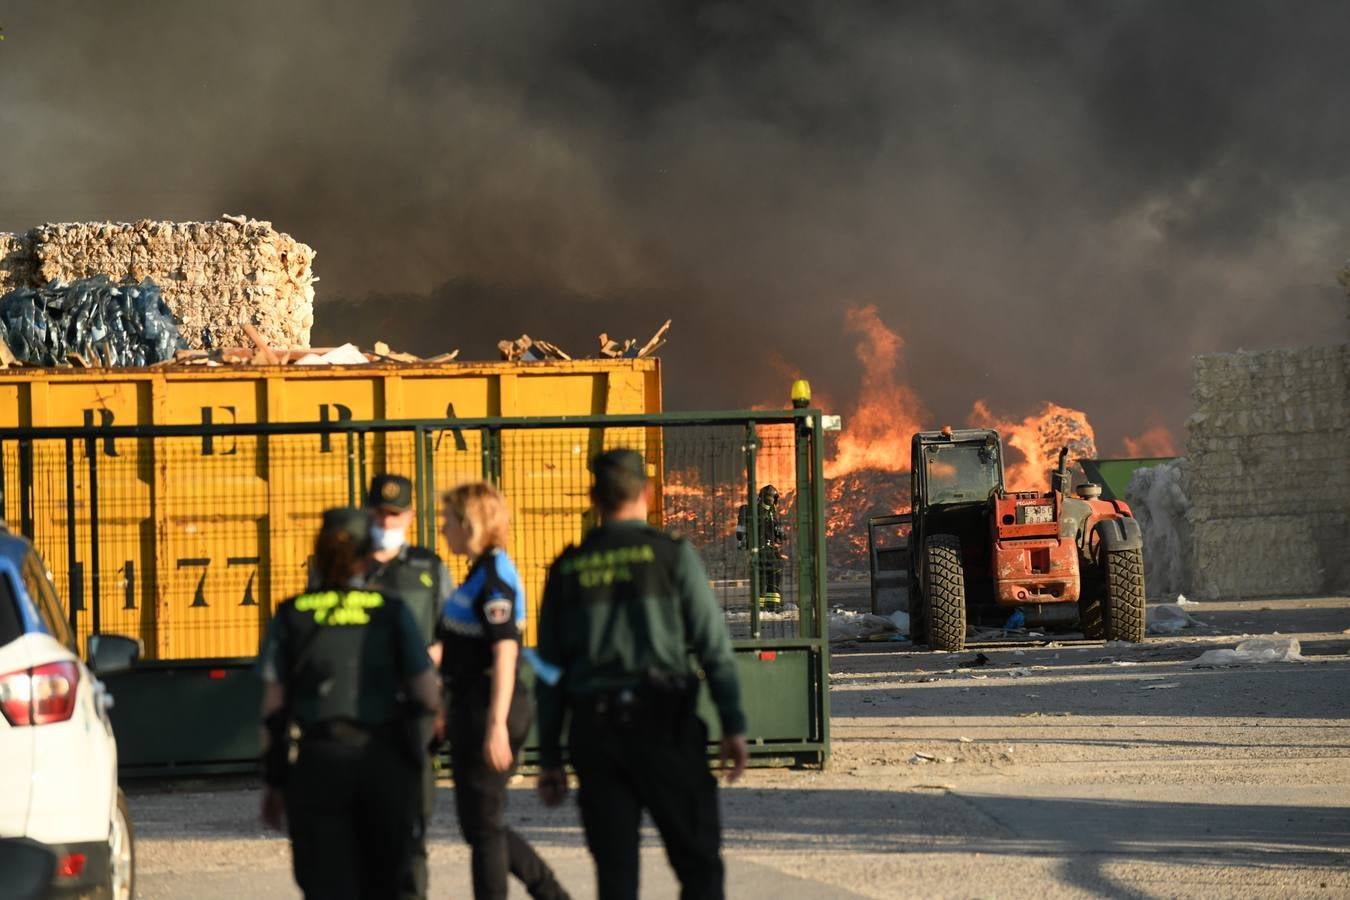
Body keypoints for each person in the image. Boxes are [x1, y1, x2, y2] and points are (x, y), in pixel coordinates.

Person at [535, 448, 749, 900]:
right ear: (648, 494)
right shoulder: (671, 556)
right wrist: (733, 725)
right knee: (698, 865)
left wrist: (551, 756)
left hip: (595, 735)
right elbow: (714, 647)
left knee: (615, 877)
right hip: (665, 729)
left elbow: (549, 673)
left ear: (593, 497)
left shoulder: (567, 568)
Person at [258, 507, 440, 900]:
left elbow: (272, 708)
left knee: (327, 885)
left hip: (319, 766)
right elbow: (427, 693)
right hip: (383, 764)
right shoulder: (390, 612)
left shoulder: (292, 615)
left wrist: (274, 783)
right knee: (388, 882)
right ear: (368, 554)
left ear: (319, 554)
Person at [437, 481, 570, 900]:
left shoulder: (494, 576)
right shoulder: (478, 572)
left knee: (485, 826)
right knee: (479, 824)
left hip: (490, 707)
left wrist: (495, 725)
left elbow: (505, 651)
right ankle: (551, 892)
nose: (442, 529)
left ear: (469, 523)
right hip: (468, 706)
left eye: (447, 520)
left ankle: (548, 892)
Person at [363, 474, 452, 900]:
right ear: (367, 513)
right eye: (380, 513)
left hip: (414, 715)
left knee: (413, 828)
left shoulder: (430, 567)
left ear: (410, 517)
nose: (387, 521)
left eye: (395, 514)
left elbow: (450, 636)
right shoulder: (349, 567)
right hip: (360, 714)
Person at [736, 484, 787, 611]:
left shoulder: (748, 510)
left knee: (761, 576)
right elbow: (781, 536)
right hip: (767, 550)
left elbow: (739, 534)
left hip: (755, 551)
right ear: (773, 499)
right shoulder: (771, 514)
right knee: (775, 573)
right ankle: (772, 606)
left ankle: (759, 607)